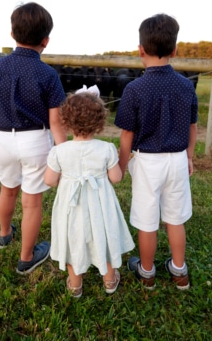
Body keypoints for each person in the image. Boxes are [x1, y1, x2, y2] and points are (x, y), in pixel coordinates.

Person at [0, 2, 67, 275]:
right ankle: (27, 258)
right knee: (32, 201)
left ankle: (4, 235)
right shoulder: (48, 74)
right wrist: (64, 152)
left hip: (5, 141)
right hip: (36, 141)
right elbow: (56, 122)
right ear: (46, 41)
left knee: (8, 189)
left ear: (12, 34)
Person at [114, 13, 198, 290]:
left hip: (147, 162)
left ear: (140, 50)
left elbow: (127, 134)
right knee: (175, 218)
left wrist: (122, 166)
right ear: (175, 50)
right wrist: (189, 156)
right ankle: (179, 270)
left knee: (147, 219)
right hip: (176, 159)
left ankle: (147, 272)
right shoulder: (187, 85)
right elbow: (192, 126)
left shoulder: (134, 89)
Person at [44, 85, 135, 298]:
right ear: (100, 122)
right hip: (100, 204)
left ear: (65, 121)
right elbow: (116, 178)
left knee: (72, 237)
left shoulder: (59, 151)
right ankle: (109, 280)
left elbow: (50, 181)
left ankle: (75, 284)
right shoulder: (106, 149)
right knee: (103, 235)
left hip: (70, 205)